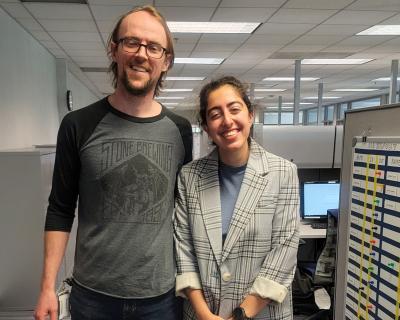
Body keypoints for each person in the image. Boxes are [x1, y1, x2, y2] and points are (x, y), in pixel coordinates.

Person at [34, 5, 192, 320]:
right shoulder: (77, 124)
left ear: (166, 62)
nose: (141, 54)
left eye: (153, 47)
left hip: (160, 298)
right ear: (114, 49)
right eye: (131, 42)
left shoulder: (180, 131)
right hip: (93, 298)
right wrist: (47, 287)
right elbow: (60, 210)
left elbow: (184, 212)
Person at [174, 76, 299, 320]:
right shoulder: (190, 176)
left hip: (261, 313)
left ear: (250, 115)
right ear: (207, 127)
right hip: (203, 313)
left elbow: (283, 253)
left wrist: (240, 315)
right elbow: (183, 250)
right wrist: (204, 314)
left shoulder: (282, 172)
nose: (227, 120)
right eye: (215, 114)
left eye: (234, 109)